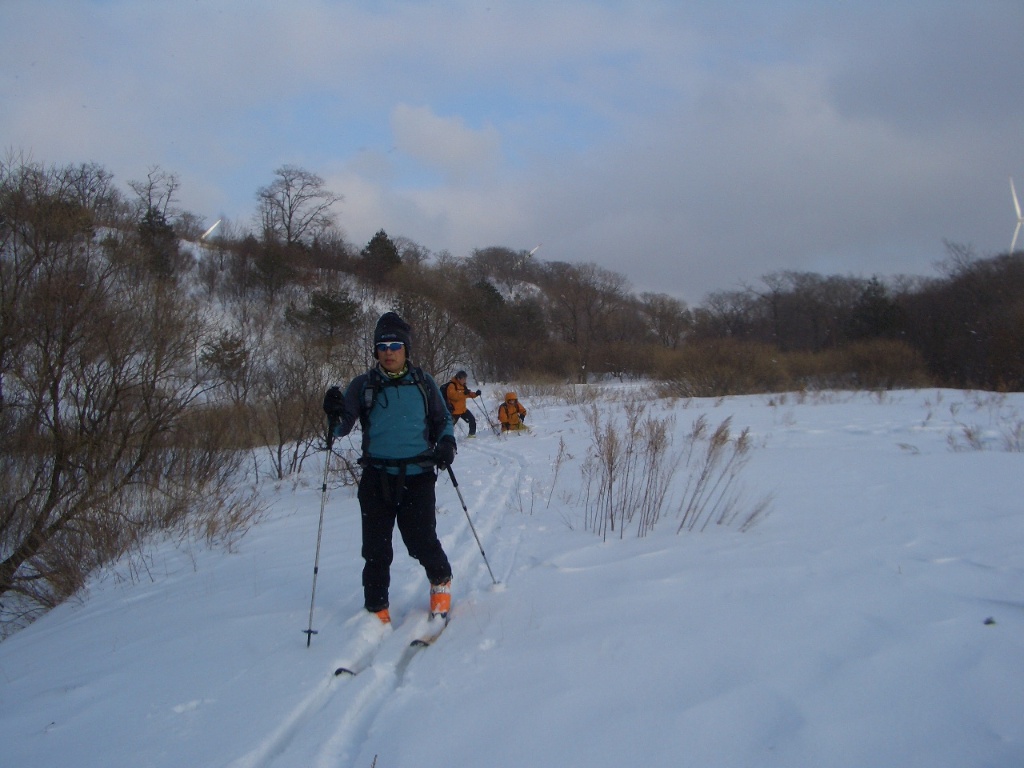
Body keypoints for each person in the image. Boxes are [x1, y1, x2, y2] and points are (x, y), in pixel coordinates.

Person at [322, 312, 457, 626]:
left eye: (395, 345)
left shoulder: (423, 383)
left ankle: (441, 580)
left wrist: (447, 444)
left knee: (421, 541)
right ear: (375, 351)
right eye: (382, 346)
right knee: (375, 549)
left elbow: (443, 421)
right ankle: (376, 608)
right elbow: (339, 430)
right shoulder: (363, 386)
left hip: (418, 476)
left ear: (406, 349)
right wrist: (332, 412)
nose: (389, 351)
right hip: (376, 477)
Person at [445, 370, 482, 437]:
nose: (465, 380)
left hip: (462, 410)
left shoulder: (463, 386)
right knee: (449, 427)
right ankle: (446, 439)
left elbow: (468, 394)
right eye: (463, 379)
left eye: (465, 378)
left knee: (472, 420)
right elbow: (453, 396)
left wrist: (476, 394)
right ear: (459, 379)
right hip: (454, 411)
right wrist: (463, 393)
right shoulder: (452, 385)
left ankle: (471, 435)